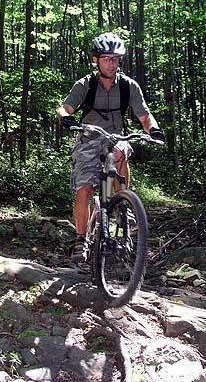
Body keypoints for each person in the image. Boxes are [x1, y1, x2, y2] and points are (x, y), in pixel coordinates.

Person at [57, 32, 164, 263]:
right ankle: (80, 239)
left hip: (116, 135)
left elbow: (145, 117)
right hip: (89, 136)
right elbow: (64, 107)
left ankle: (122, 202)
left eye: (115, 59)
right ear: (96, 60)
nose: (111, 63)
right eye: (106, 58)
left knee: (120, 151)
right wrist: (66, 118)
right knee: (84, 188)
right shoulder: (85, 84)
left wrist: (153, 130)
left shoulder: (128, 86)